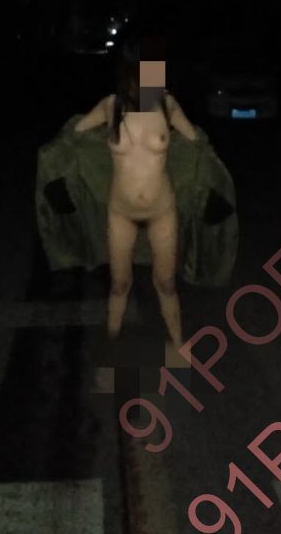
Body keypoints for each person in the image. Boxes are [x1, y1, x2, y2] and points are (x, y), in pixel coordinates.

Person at [74, 39, 197, 370]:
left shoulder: (167, 104)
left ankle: (179, 348)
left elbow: (195, 141)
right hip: (121, 212)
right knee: (119, 285)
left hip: (161, 210)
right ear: (128, 74)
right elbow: (76, 133)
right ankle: (110, 348)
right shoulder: (110, 106)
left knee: (166, 283)